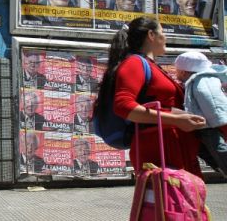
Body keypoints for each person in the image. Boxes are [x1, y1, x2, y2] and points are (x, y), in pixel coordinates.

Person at [94, 17, 206, 178]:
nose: (165, 37)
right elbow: (123, 106)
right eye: (163, 32)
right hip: (160, 150)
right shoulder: (134, 63)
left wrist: (183, 117)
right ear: (151, 35)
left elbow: (159, 104)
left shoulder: (151, 65)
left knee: (186, 200)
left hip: (175, 148)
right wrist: (176, 120)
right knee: (168, 201)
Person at [175, 51, 227, 177]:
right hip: (207, 123)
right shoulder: (203, 78)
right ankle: (221, 169)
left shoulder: (200, 81)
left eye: (177, 70)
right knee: (206, 150)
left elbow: (210, 101)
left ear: (184, 72)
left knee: (218, 149)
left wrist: (218, 122)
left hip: (209, 124)